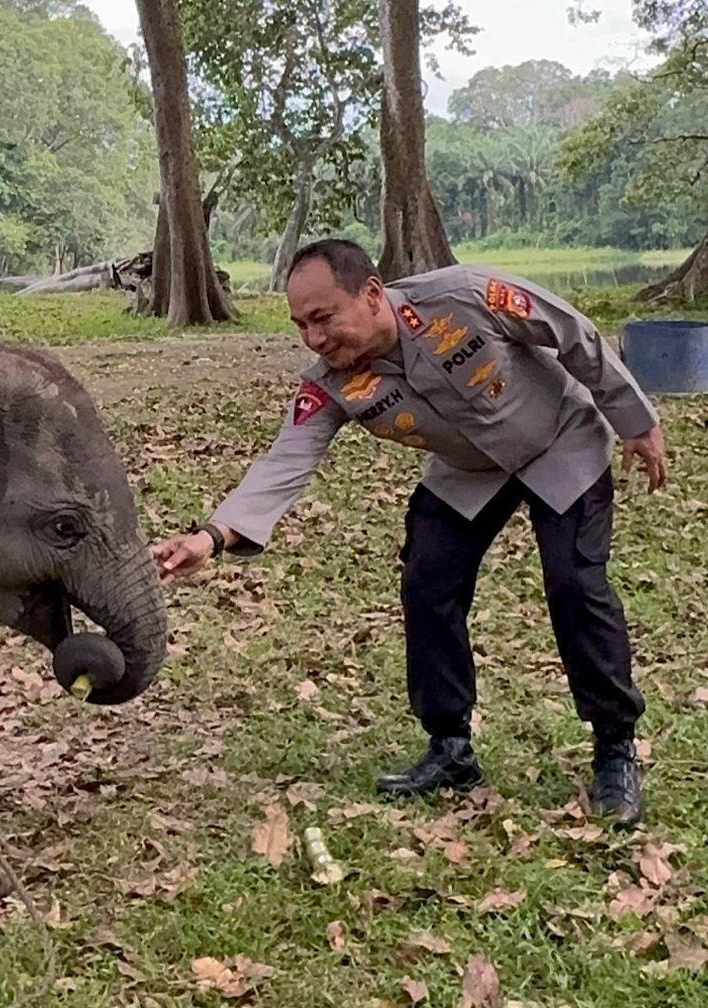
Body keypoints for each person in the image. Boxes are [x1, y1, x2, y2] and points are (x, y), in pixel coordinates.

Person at [151, 239, 668, 827]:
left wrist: (636, 419)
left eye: (324, 318)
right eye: (300, 325)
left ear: (373, 295)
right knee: (427, 583)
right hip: (469, 471)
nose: (314, 340)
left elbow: (572, 333)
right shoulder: (331, 383)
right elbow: (284, 461)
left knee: (574, 584)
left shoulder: (466, 297)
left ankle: (614, 747)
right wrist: (211, 537)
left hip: (560, 440)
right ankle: (450, 747)